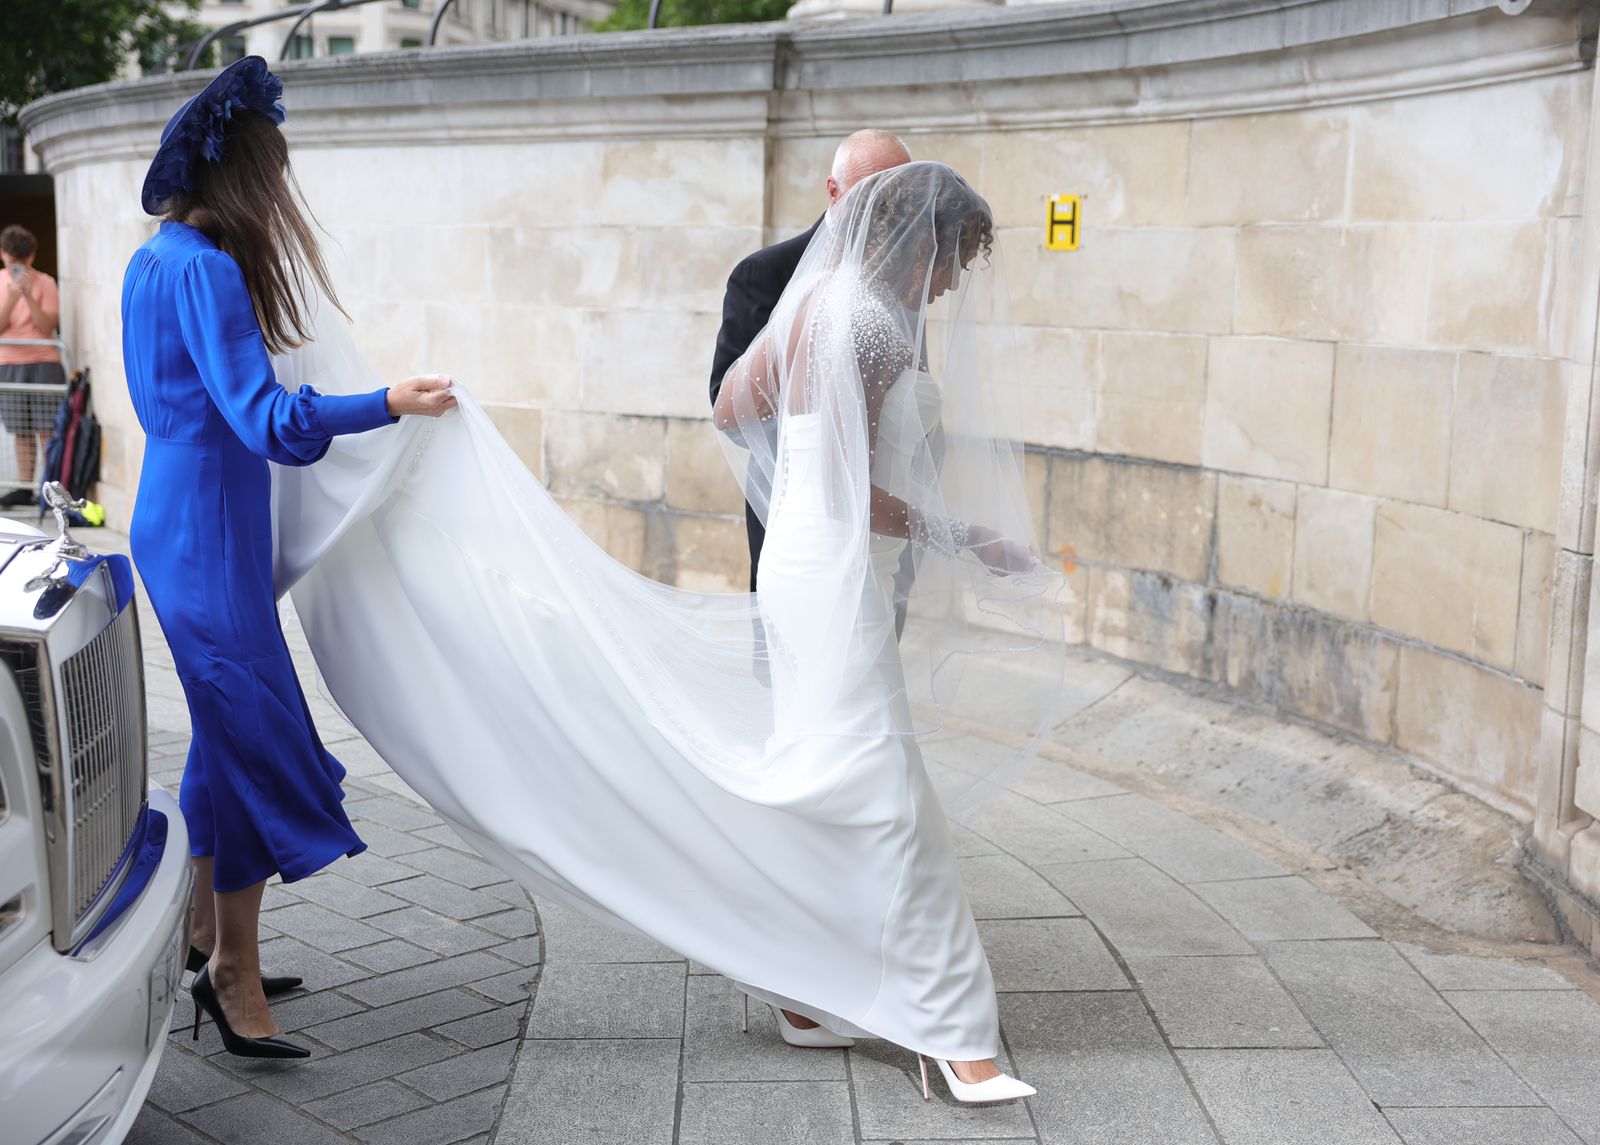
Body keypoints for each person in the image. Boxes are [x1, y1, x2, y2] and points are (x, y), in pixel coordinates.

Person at [271, 161, 1063, 1105]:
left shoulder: (822, 303)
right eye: (955, 264)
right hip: (841, 569)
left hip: (806, 565)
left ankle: (807, 993)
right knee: (883, 792)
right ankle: (953, 1035)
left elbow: (735, 406)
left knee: (819, 769)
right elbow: (847, 484)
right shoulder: (871, 322)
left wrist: (800, 472)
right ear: (921, 242)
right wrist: (966, 534)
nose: (952, 285)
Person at [121, 57, 455, 1059]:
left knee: (227, 736)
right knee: (252, 745)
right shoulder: (211, 267)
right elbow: (264, 418)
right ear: (242, 175)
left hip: (176, 522)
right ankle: (232, 969)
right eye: (273, 172)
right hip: (210, 539)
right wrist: (385, 402)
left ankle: (198, 931)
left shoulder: (155, 256)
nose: (281, 192)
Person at [710, 129, 910, 590]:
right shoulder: (766, 273)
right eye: (872, 194)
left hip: (887, 531)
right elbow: (727, 403)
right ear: (833, 191)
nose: (891, 211)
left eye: (898, 193)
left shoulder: (912, 271)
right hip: (798, 519)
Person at [0, 225, 64, 506]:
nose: (17, 267)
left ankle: (48, 486)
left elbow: (47, 326)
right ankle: (24, 487)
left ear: (32, 257)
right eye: (13, 261)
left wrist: (27, 295)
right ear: (3, 255)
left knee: (47, 428)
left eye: (22, 261)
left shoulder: (46, 283)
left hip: (44, 363)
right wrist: (12, 297)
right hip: (10, 363)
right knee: (21, 429)